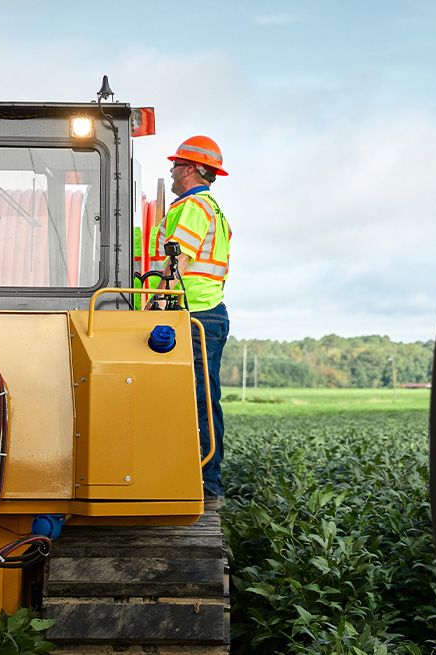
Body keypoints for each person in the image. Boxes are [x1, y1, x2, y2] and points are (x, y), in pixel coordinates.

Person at [153, 135, 232, 505]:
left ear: (192, 169)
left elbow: (177, 261)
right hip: (205, 312)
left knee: (199, 398)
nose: (171, 171)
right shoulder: (210, 208)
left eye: (176, 165)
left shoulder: (192, 207)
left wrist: (156, 302)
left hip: (195, 312)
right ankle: (202, 478)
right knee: (202, 396)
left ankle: (207, 483)